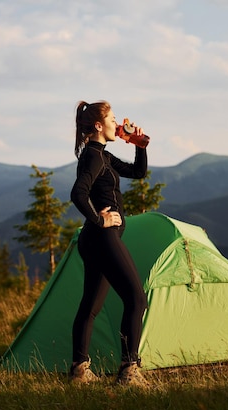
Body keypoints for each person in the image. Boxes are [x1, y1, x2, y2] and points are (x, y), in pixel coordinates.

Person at [69, 100, 149, 386]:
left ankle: (79, 370)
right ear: (99, 126)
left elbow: (138, 173)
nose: (118, 124)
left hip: (94, 241)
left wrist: (140, 145)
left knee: (90, 306)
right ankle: (129, 370)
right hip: (101, 237)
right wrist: (100, 220)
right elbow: (78, 194)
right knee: (137, 298)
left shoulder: (101, 155)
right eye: (113, 119)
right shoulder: (93, 156)